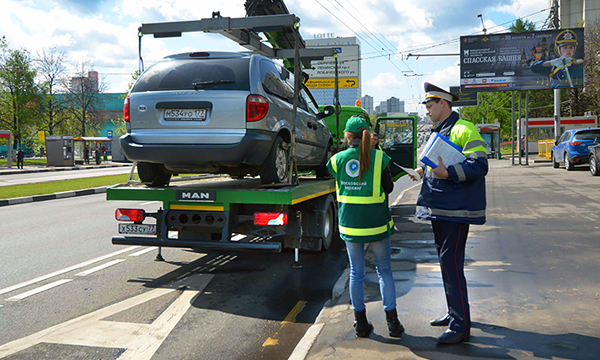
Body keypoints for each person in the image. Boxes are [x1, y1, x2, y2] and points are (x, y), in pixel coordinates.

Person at [409, 83, 488, 344]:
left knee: (452, 265)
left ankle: (460, 325)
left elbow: (479, 164)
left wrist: (449, 173)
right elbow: (438, 163)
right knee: (446, 265)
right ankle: (454, 313)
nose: (428, 112)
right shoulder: (440, 130)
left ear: (444, 103)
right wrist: (421, 171)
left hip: (455, 210)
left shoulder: (463, 129)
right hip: (441, 209)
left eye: (430, 107)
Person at [326, 116, 404, 338]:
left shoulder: (336, 159)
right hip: (377, 224)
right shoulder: (379, 158)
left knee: (356, 273)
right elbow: (388, 188)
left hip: (350, 226)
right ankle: (393, 324)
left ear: (348, 137)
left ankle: (360, 324)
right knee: (384, 271)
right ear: (367, 135)